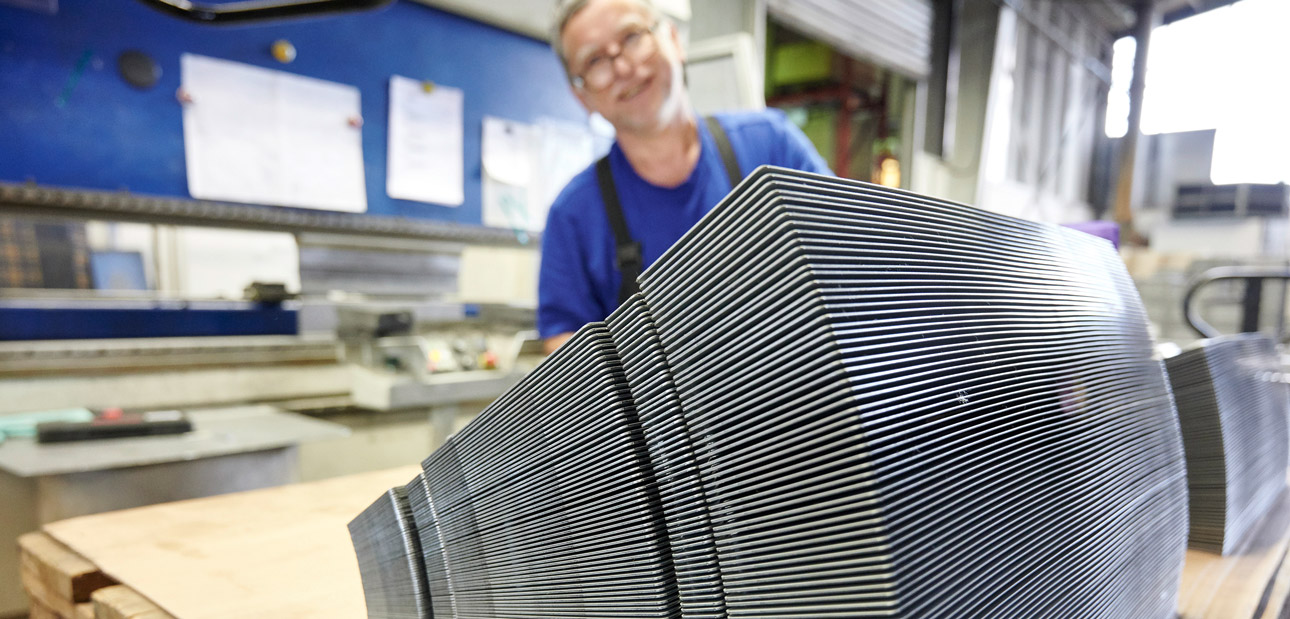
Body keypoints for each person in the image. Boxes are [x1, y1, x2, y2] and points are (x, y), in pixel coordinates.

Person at [539, 0, 832, 353]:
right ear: (581, 95)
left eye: (632, 37)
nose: (622, 67)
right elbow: (564, 344)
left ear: (674, 40)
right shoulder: (573, 216)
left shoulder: (771, 145)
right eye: (595, 61)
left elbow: (847, 257)